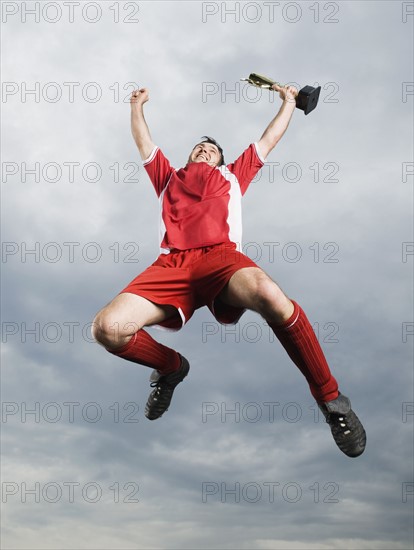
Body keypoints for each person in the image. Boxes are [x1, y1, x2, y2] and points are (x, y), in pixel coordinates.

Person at [92, 83, 366, 458]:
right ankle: (171, 368)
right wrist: (136, 106)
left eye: (213, 149)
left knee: (270, 294)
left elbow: (269, 139)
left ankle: (332, 400)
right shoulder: (168, 178)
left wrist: (288, 101)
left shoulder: (234, 176)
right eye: (199, 146)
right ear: (189, 156)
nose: (204, 149)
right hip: (171, 264)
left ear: (222, 160)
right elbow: (143, 141)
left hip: (221, 260)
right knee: (107, 329)